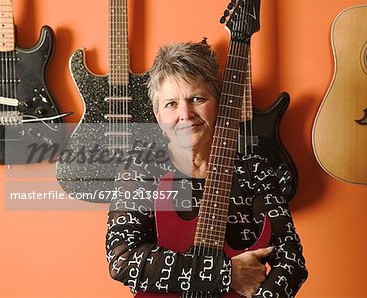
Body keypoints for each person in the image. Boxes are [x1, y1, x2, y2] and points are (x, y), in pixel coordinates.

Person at [106, 42, 308, 297]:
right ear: (157, 114)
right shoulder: (139, 171)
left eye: (197, 99)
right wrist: (226, 274)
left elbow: (291, 260)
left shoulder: (254, 169)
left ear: (219, 105)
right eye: (171, 104)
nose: (185, 114)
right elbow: (123, 258)